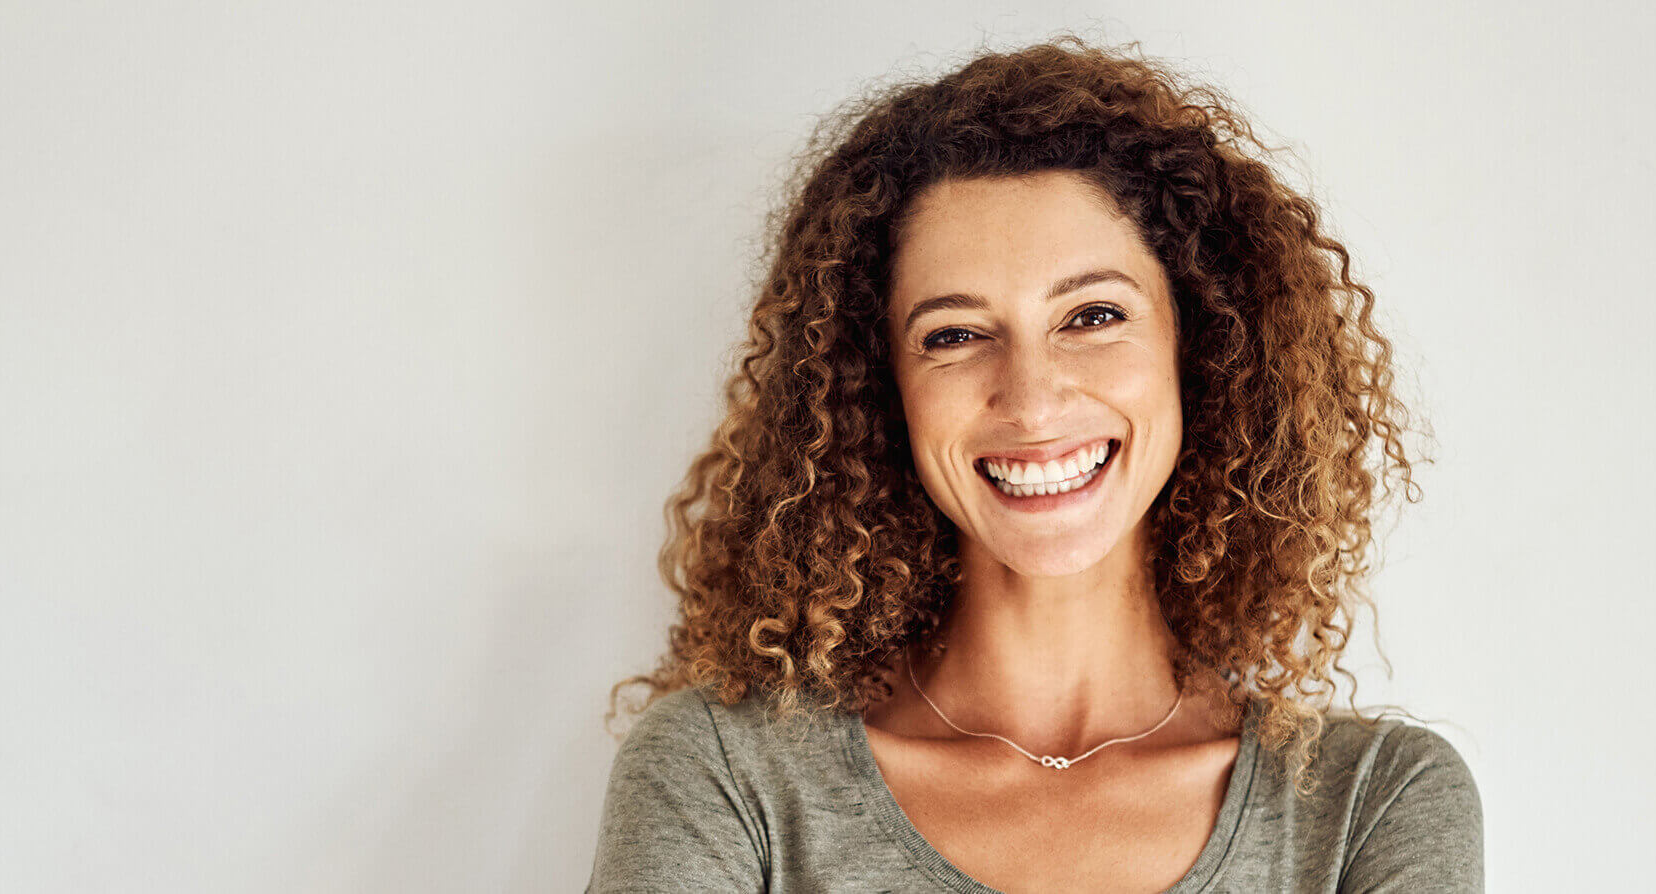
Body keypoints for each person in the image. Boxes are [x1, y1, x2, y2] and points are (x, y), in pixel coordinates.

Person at [590, 38, 1481, 893]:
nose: (1032, 400)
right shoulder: (725, 775)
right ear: (882, 387)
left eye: (1092, 316)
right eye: (955, 335)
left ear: (1199, 349)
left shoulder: (1372, 804)